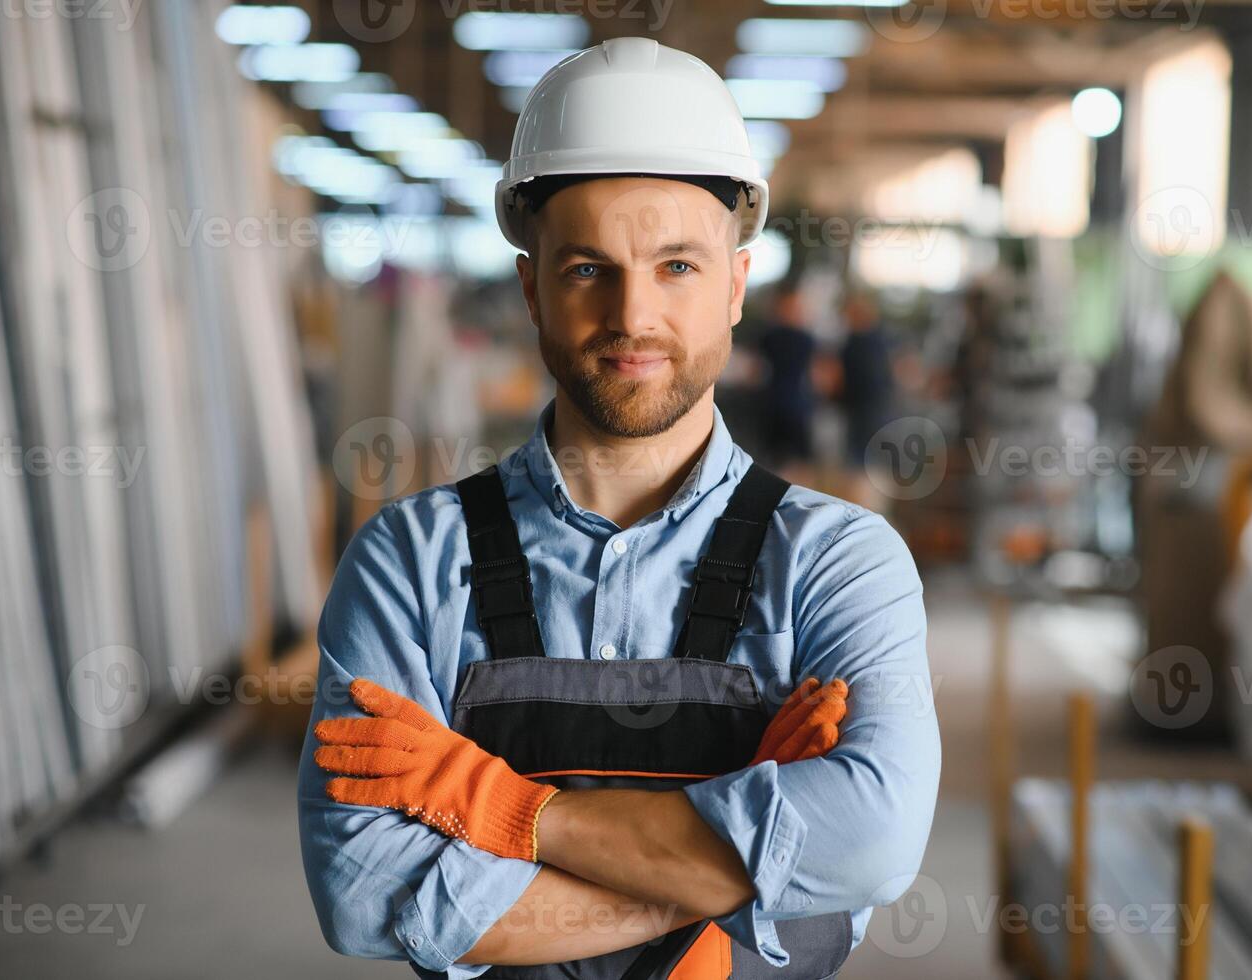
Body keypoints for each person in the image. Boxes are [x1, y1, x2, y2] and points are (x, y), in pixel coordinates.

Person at [297, 38, 940, 980]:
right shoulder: (409, 561)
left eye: (677, 266)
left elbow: (870, 847)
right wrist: (748, 858)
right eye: (588, 268)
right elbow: (360, 895)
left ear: (735, 284)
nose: (632, 316)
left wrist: (512, 815)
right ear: (532, 288)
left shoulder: (839, 564)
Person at [757, 283, 819, 472]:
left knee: (785, 458)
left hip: (785, 404)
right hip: (785, 404)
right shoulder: (801, 338)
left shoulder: (771, 336)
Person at [837, 290, 897, 467]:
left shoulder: (856, 342)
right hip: (875, 404)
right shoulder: (879, 340)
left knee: (860, 459)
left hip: (862, 406)